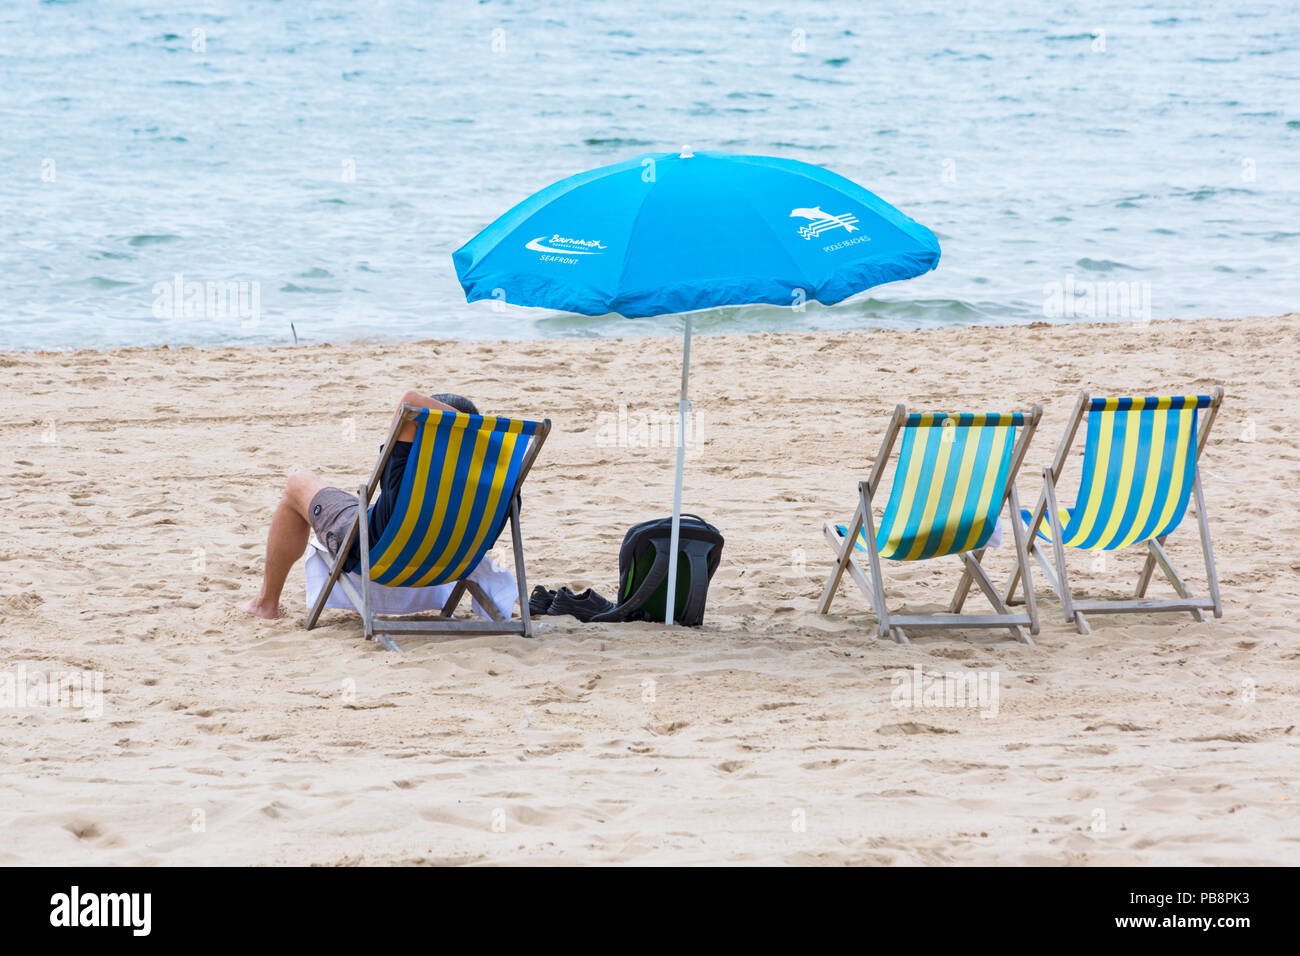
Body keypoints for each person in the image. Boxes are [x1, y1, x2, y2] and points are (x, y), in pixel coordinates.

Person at [236, 390, 479, 620]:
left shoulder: (408, 465)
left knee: (297, 484)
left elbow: (410, 400)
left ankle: (265, 603)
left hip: (377, 547)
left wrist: (465, 427)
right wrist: (480, 437)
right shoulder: (491, 484)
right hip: (449, 561)